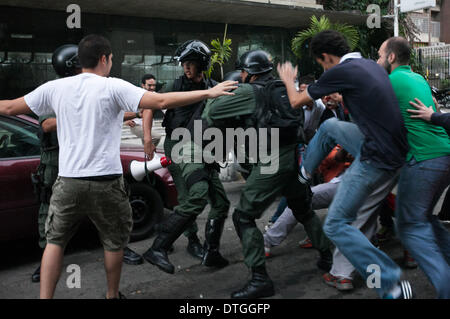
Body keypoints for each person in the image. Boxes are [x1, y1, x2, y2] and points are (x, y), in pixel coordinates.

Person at [0, 34, 237, 299]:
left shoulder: (56, 88)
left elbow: (9, 107)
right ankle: (112, 295)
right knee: (113, 242)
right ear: (103, 59)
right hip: (106, 182)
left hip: (67, 183)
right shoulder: (113, 87)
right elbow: (160, 102)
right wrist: (209, 91)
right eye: (112, 58)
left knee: (55, 242)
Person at [278, 30, 412, 299]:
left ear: (326, 57)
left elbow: (295, 102)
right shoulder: (368, 66)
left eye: (322, 64)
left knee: (335, 224)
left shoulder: (339, 71)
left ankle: (391, 283)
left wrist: (288, 80)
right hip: (393, 151)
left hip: (375, 158)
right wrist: (342, 99)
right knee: (329, 126)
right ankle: (305, 176)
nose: (324, 69)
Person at [202, 50, 333, 299]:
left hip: (272, 160)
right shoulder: (283, 88)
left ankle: (259, 279)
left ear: (247, 73)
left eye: (242, 72)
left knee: (243, 217)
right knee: (302, 209)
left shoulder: (249, 91)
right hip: (294, 156)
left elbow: (212, 113)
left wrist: (218, 91)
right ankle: (327, 256)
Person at [30, 44, 144, 283]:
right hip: (57, 163)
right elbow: (46, 124)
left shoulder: (84, 89)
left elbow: (104, 112)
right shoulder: (57, 91)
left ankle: (118, 249)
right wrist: (80, 113)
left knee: (108, 216)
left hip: (84, 165)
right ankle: (45, 262)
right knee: (49, 221)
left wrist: (132, 113)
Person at [142, 40, 231, 272]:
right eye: (184, 64)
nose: (186, 68)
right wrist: (147, 138)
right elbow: (150, 106)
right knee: (189, 195)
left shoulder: (214, 86)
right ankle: (191, 241)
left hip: (205, 148)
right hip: (179, 146)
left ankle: (211, 250)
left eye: (190, 63)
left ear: (201, 64)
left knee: (219, 201)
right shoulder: (178, 84)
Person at [377, 37, 450, 298]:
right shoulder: (419, 78)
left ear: (392, 57)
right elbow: (436, 109)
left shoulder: (391, 82)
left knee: (409, 226)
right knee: (426, 219)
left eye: (379, 55)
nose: (377, 61)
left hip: (423, 159)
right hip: (444, 153)